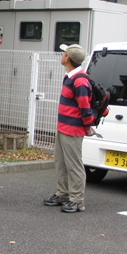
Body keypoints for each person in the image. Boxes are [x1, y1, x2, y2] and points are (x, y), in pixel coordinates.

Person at [43, 44, 93, 213]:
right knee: (61, 163)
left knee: (74, 165)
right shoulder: (70, 77)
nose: (62, 55)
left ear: (68, 58)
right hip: (64, 127)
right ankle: (63, 193)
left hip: (73, 130)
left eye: (64, 53)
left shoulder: (79, 81)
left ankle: (77, 200)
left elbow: (85, 107)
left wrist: (87, 126)